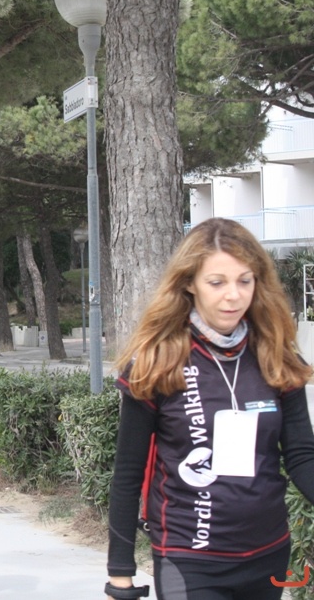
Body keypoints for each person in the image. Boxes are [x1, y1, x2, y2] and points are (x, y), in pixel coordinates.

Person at [106, 218, 314, 600]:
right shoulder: (157, 362)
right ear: (189, 283)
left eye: (245, 281)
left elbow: (301, 455)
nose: (233, 296)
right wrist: (120, 574)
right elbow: (128, 473)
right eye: (217, 282)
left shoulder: (276, 355)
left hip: (268, 554)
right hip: (189, 558)